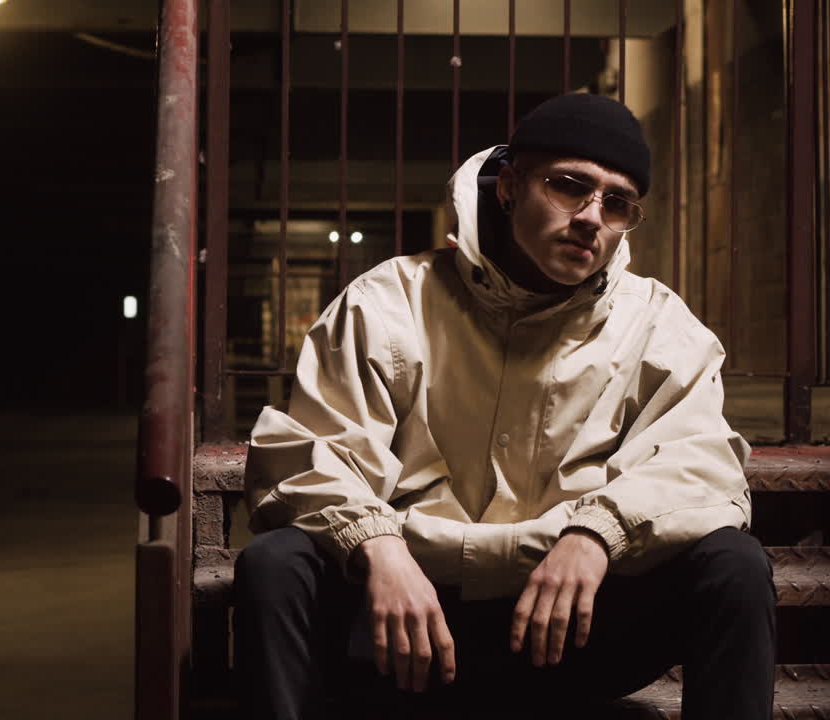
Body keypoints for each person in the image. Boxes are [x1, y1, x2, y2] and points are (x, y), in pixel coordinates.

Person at [234, 93, 776, 720]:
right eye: (570, 186)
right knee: (276, 566)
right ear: (510, 185)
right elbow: (311, 448)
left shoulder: (655, 322)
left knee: (734, 565)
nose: (591, 218)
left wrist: (597, 535)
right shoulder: (388, 302)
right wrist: (376, 547)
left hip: (573, 630)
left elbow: (702, 461)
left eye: (617, 203)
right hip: (405, 629)